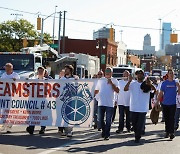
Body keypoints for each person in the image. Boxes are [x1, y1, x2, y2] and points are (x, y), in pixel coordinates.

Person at [124, 70, 155, 143]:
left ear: (143, 75)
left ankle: (137, 137)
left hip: (143, 108)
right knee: (134, 123)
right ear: (136, 75)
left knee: (140, 124)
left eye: (141, 74)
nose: (140, 75)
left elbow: (155, 90)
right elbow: (125, 89)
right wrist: (129, 81)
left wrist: (150, 84)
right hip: (133, 107)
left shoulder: (147, 83)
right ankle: (137, 133)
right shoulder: (132, 84)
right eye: (138, 74)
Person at [95, 67, 119, 140]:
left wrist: (112, 84)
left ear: (112, 73)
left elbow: (117, 90)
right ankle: (104, 130)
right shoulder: (101, 80)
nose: (107, 73)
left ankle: (107, 134)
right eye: (106, 71)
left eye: (109, 71)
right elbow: (96, 90)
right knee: (100, 119)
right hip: (101, 102)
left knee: (108, 120)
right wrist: (92, 96)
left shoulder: (115, 80)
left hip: (110, 103)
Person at [155, 69, 180, 140]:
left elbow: (179, 93)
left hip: (173, 103)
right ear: (168, 75)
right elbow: (161, 93)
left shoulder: (175, 83)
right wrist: (157, 101)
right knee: (166, 118)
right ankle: (167, 131)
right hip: (165, 103)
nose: (171, 74)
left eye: (172, 73)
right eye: (170, 73)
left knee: (172, 118)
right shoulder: (164, 83)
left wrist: (179, 86)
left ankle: (171, 133)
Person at [58, 65, 78, 137]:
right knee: (62, 115)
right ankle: (61, 129)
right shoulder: (62, 78)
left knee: (69, 116)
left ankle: (69, 131)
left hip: (71, 100)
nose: (65, 70)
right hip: (63, 100)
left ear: (70, 70)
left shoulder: (75, 78)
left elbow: (77, 87)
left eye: (67, 69)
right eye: (65, 69)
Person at [26, 66, 47, 135]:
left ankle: (42, 128)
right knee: (33, 114)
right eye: (39, 71)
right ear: (37, 72)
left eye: (42, 71)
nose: (40, 72)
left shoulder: (48, 80)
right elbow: (27, 87)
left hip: (43, 100)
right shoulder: (33, 80)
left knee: (43, 114)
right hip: (34, 100)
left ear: (44, 72)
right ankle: (31, 127)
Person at [0, 63, 20, 133]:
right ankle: (3, 124)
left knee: (10, 111)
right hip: (4, 96)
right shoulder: (3, 75)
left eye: (8, 68)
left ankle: (9, 126)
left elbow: (20, 84)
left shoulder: (15, 75)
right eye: (6, 67)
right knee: (3, 110)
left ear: (11, 68)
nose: (6, 69)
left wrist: (15, 81)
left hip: (12, 96)